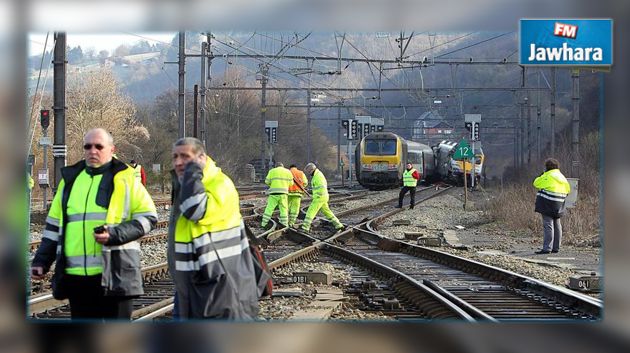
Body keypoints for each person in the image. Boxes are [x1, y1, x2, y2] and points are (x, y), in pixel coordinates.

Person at [31, 128, 157, 320]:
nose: (93, 150)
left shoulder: (126, 179)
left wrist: (115, 234)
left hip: (116, 275)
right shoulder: (70, 181)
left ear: (111, 149)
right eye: (88, 146)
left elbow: (148, 218)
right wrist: (42, 261)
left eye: (99, 146)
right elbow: (54, 227)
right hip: (77, 279)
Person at [169, 137, 258, 319]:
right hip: (192, 288)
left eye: (185, 157)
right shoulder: (187, 187)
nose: (178, 162)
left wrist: (192, 171)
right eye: (175, 157)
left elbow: (194, 210)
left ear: (202, 158)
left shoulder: (220, 185)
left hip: (220, 289)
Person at [533, 158, 571, 254]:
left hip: (548, 202)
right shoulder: (562, 176)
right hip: (560, 202)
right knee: (557, 224)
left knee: (548, 224)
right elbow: (568, 189)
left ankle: (547, 248)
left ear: (547, 167)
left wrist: (542, 174)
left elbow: (536, 183)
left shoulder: (548, 175)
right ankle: (556, 247)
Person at [300, 163, 344, 232]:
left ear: (312, 169)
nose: (309, 173)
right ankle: (338, 225)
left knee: (310, 212)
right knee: (327, 212)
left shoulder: (317, 176)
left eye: (309, 171)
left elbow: (320, 188)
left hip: (319, 197)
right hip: (323, 196)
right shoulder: (318, 175)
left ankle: (305, 228)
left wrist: (316, 196)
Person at [261, 162, 293, 228]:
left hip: (273, 194)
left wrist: (272, 184)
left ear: (276, 166)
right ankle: (284, 224)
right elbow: (291, 183)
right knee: (284, 209)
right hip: (283, 194)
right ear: (283, 166)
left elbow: (267, 181)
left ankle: (264, 224)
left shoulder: (272, 171)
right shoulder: (288, 172)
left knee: (269, 208)